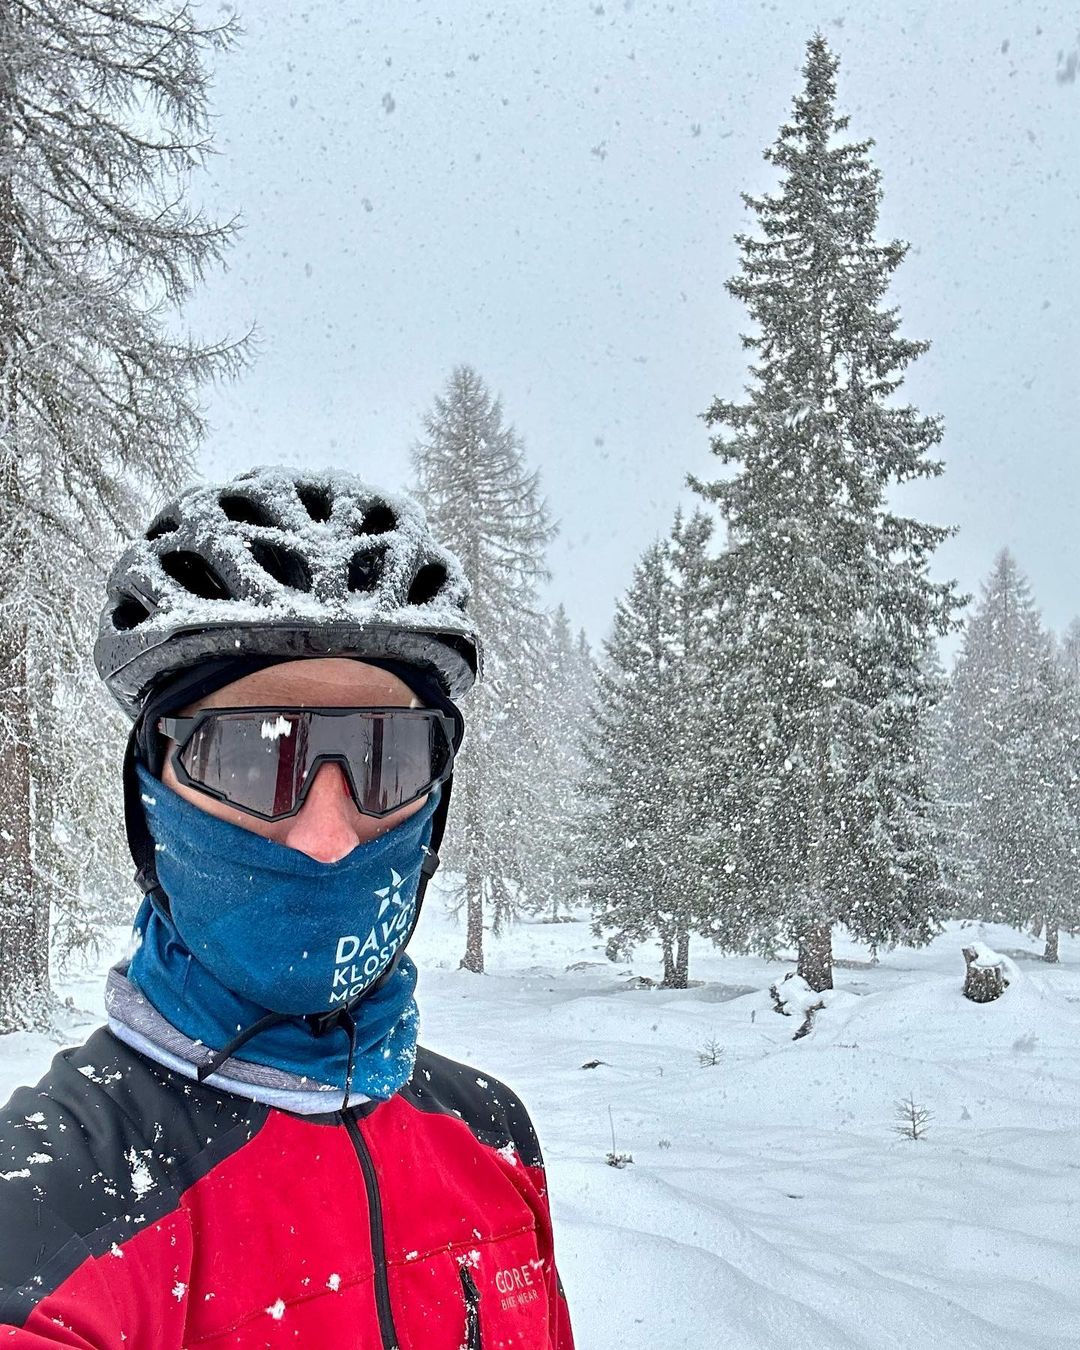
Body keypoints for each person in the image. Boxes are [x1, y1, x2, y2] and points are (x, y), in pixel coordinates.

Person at [0, 466, 574, 1349]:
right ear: (151, 798)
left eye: (387, 758)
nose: (329, 836)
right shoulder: (51, 1202)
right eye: (251, 755)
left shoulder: (492, 1134)